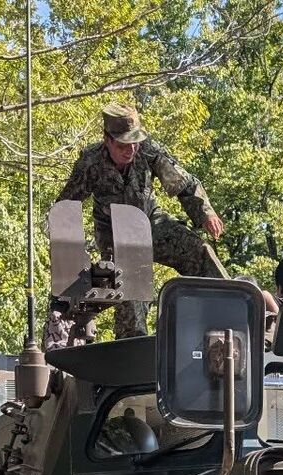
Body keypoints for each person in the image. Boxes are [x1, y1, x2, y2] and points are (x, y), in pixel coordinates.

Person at [56, 103, 227, 337]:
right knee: (130, 282)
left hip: (149, 221)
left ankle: (231, 307)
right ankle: (132, 342)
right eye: (123, 145)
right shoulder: (90, 163)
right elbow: (65, 207)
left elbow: (184, 184)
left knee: (197, 249)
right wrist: (69, 259)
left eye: (134, 142)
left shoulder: (148, 151)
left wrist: (206, 213)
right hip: (114, 234)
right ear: (107, 140)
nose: (131, 150)